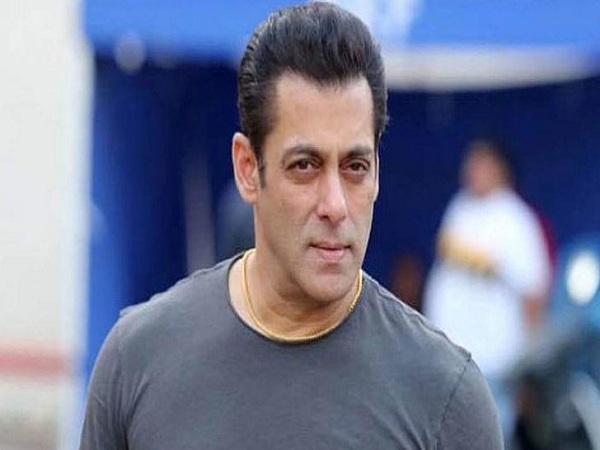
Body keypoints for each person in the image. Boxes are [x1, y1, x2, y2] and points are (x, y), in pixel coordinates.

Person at [80, 3, 503, 449]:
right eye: (305, 165)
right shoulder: (138, 360)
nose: (335, 206)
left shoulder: (445, 396)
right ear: (247, 168)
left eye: (355, 167)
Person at [423, 138, 551, 445]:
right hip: (450, 355)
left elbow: (534, 291)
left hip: (493, 360)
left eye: (480, 162)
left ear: (499, 169)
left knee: (491, 436)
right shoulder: (460, 207)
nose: (471, 169)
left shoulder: (514, 217)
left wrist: (530, 358)